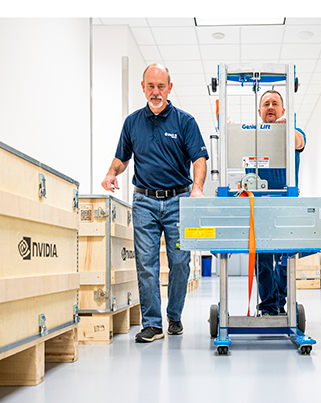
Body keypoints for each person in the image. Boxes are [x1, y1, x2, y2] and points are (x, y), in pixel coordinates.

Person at [101, 64, 208, 343]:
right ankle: (152, 324)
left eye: (161, 86)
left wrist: (197, 188)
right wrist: (112, 172)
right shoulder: (132, 122)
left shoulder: (185, 122)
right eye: (151, 86)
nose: (156, 92)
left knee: (180, 262)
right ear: (143, 87)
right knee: (146, 264)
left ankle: (174, 317)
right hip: (144, 201)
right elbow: (123, 158)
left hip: (178, 200)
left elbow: (199, 159)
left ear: (170, 88)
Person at [251, 90, 306, 316]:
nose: (271, 107)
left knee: (285, 259)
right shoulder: (252, 137)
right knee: (263, 261)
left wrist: (285, 127)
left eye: (275, 104)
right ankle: (268, 306)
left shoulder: (293, 132)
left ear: (283, 110)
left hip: (286, 208)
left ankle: (279, 301)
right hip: (260, 209)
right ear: (260, 111)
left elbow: (299, 142)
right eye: (266, 104)